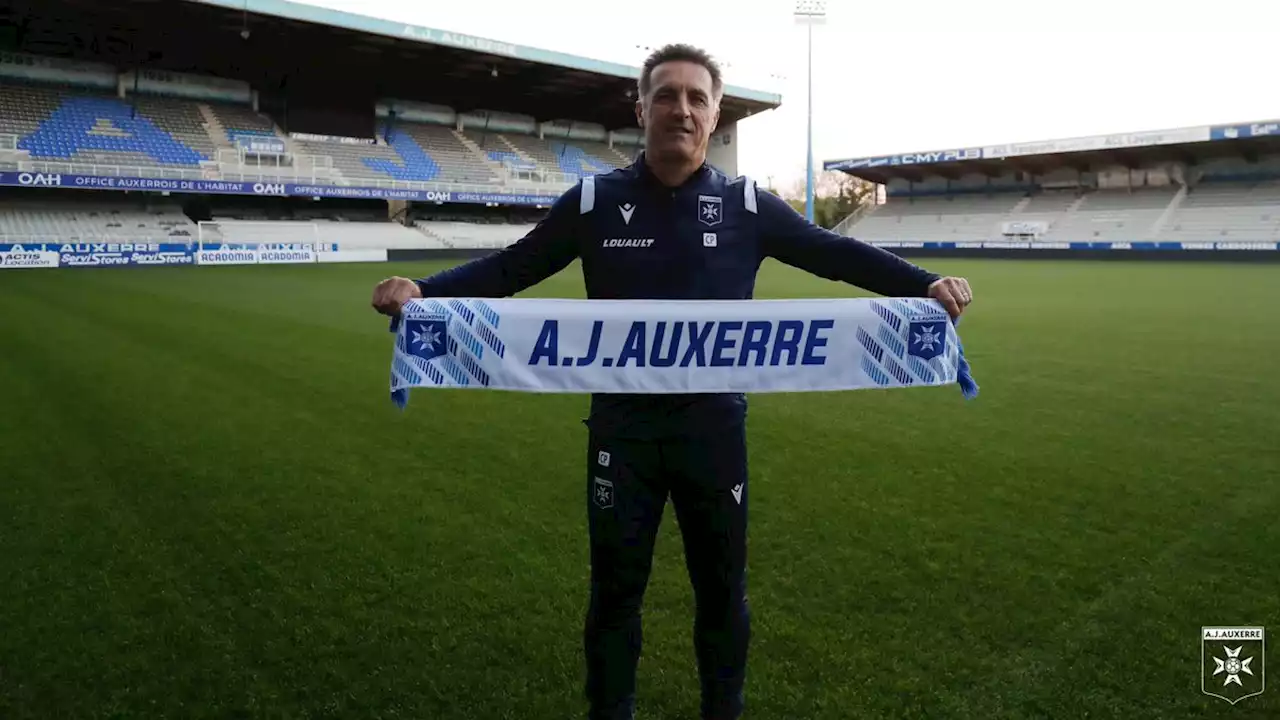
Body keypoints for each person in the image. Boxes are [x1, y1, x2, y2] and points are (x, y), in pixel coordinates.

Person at [372, 43, 973, 720]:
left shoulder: (747, 204)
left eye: (696, 98)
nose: (680, 109)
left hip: (713, 437)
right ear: (641, 109)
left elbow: (835, 256)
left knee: (721, 592)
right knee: (615, 594)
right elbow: (513, 269)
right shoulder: (595, 201)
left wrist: (922, 285)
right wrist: (423, 289)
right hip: (622, 438)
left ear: (714, 117)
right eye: (666, 95)